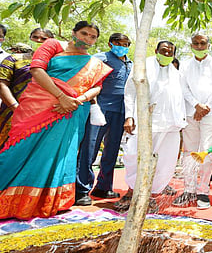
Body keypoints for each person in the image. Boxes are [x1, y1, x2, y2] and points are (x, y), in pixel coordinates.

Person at [0, 21, 112, 219]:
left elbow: (97, 87)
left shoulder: (92, 63)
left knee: (60, 154)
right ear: (73, 32)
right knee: (19, 149)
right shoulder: (53, 45)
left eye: (92, 37)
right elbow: (36, 70)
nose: (87, 39)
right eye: (84, 33)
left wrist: (76, 100)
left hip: (72, 111)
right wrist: (62, 97)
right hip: (39, 107)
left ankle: (49, 201)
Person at [115, 40, 186, 212]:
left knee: (165, 162)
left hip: (170, 125)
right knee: (134, 157)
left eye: (171, 52)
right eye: (164, 51)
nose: (167, 54)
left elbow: (180, 97)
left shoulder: (175, 72)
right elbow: (130, 92)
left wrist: (182, 121)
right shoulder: (143, 66)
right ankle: (132, 192)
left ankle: (152, 196)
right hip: (145, 122)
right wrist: (129, 116)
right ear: (156, 50)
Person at [75, 33, 132, 205]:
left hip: (120, 112)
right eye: (118, 43)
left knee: (112, 151)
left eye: (126, 43)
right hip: (100, 109)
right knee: (90, 149)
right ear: (110, 44)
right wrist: (93, 104)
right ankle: (81, 190)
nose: (122, 46)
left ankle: (103, 186)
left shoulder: (130, 63)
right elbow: (87, 80)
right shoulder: (101, 58)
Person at [173, 34, 212, 209]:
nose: (199, 46)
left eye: (202, 43)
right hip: (191, 112)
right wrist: (196, 105)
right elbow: (183, 88)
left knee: (206, 151)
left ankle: (203, 191)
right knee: (189, 151)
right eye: (195, 43)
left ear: (208, 45)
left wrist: (206, 107)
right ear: (191, 45)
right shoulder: (185, 64)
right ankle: (189, 190)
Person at [0, 28, 54, 148]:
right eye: (35, 37)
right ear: (30, 38)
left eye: (44, 39)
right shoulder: (13, 59)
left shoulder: (55, 64)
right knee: (6, 147)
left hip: (42, 115)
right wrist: (16, 108)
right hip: (12, 112)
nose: (39, 40)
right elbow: (2, 84)